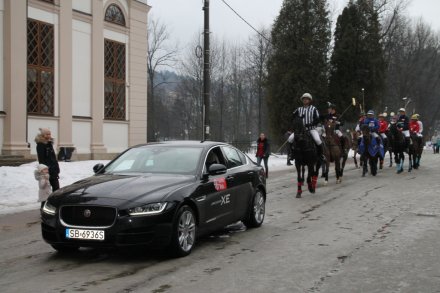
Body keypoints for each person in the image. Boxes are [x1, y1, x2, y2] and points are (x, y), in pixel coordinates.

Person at [292, 93, 325, 161]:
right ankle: (291, 155)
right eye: (304, 99)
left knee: (318, 140)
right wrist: (297, 121)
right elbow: (293, 116)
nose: (305, 100)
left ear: (309, 100)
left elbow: (317, 118)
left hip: (311, 129)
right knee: (290, 139)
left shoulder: (313, 109)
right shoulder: (299, 109)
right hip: (300, 130)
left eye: (306, 99)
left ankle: (321, 155)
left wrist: (311, 124)